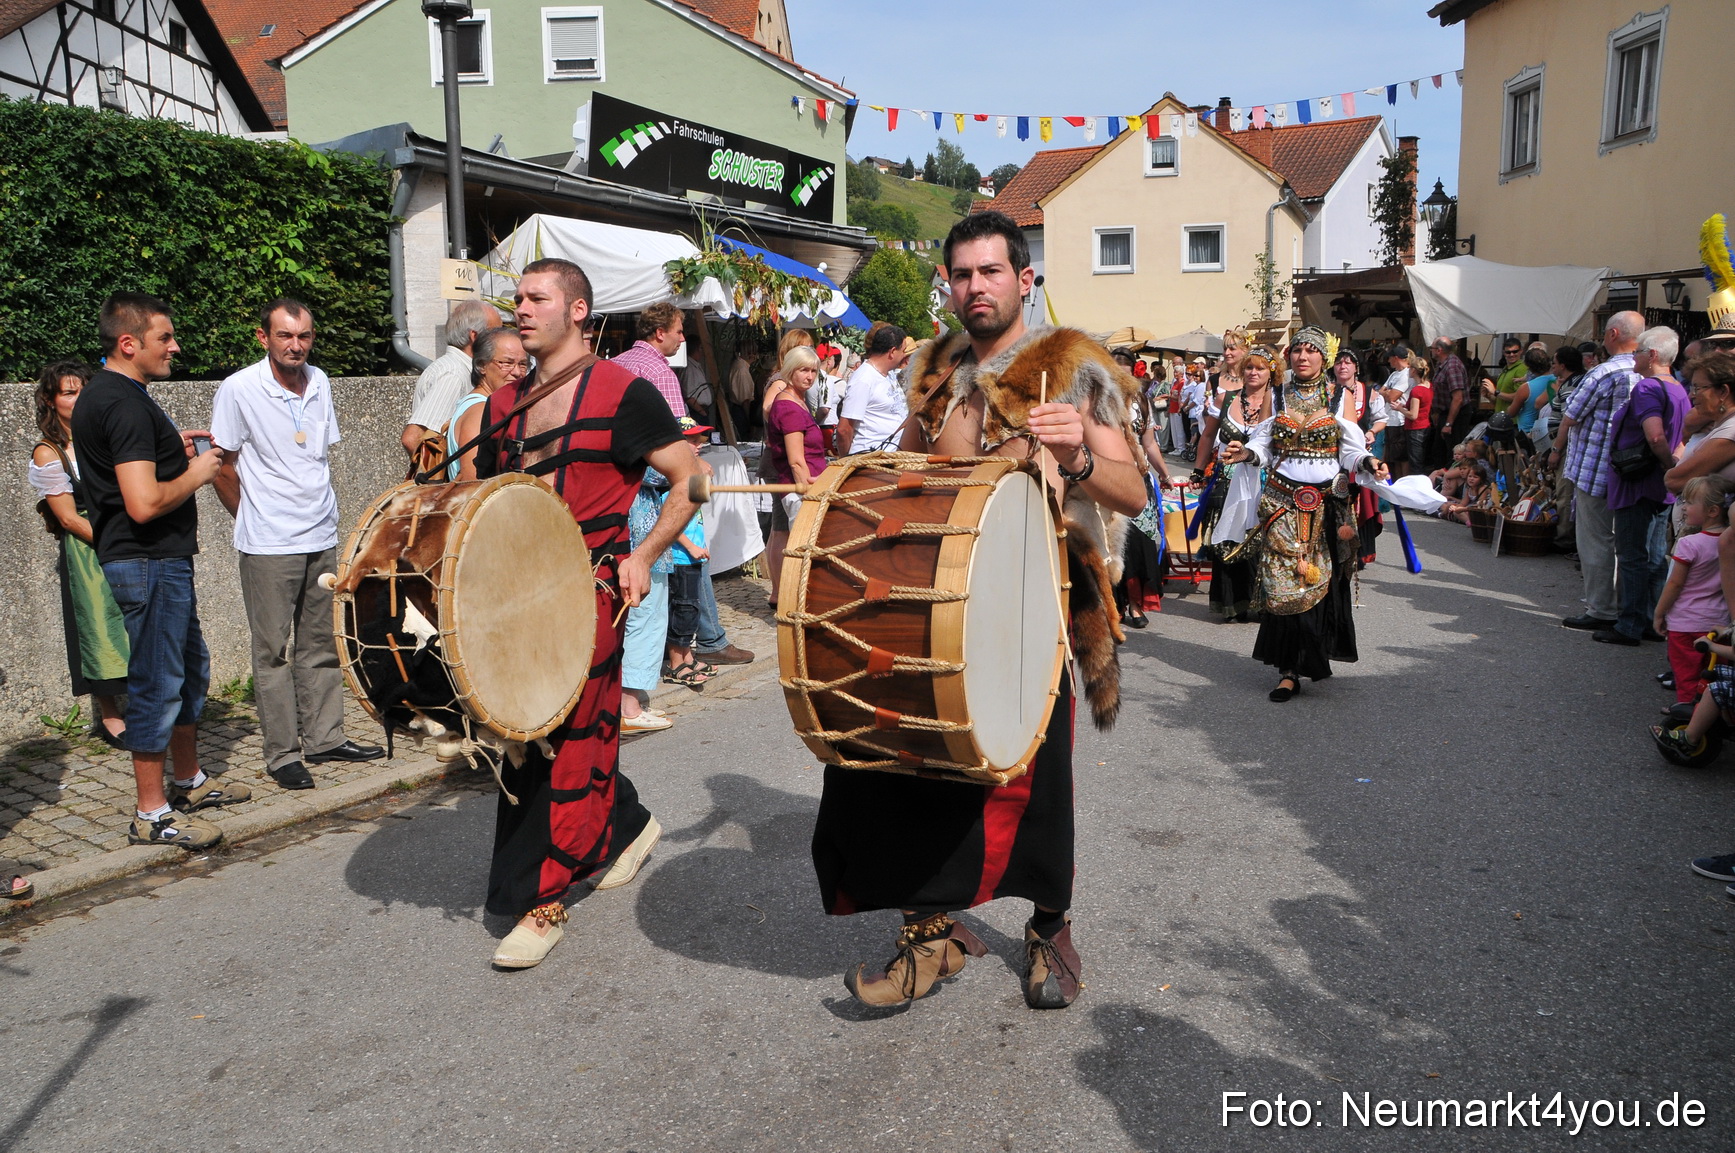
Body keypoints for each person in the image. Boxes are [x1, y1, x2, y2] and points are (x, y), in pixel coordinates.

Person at [818, 210, 1147, 1012]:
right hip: (936, 595)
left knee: (1034, 778)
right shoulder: (933, 369)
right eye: (961, 274)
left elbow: (1132, 490)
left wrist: (1076, 454)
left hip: (1035, 600)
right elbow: (908, 466)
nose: (975, 287)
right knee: (904, 763)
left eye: (990, 271)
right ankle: (929, 930)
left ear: (1022, 279)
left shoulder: (1072, 367)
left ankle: (1050, 926)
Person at [472, 258, 699, 969]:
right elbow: (485, 506)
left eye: (537, 297)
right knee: (527, 730)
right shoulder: (499, 407)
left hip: (594, 592)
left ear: (577, 310)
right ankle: (626, 825)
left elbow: (692, 477)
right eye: (517, 297)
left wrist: (646, 554)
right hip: (516, 601)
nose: (521, 308)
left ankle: (545, 900)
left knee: (569, 737)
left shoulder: (623, 392)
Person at [71, 293, 245, 849]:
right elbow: (143, 503)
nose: (175, 347)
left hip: (158, 561)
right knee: (157, 682)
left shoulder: (119, 397)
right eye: (164, 338)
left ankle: (188, 781)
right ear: (129, 343)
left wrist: (173, 448)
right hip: (146, 561)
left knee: (188, 670)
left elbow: (133, 470)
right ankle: (151, 814)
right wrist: (197, 472)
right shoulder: (121, 403)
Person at [211, 298, 383, 791]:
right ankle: (283, 754)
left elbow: (315, 456)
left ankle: (325, 738)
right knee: (272, 652)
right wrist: (252, 517)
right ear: (263, 337)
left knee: (321, 644)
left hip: (320, 533)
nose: (295, 345)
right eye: (285, 335)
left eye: (304, 336)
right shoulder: (239, 388)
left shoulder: (320, 381)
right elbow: (222, 465)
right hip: (268, 543)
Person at [1215, 328, 1394, 702]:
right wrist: (1245, 453)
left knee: (1319, 581)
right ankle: (1288, 670)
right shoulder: (1277, 394)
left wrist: (1369, 461)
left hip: (1326, 505)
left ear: (1324, 358)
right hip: (1282, 503)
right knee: (1285, 582)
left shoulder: (1339, 396)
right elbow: (1264, 443)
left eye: (1311, 350)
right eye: (1297, 350)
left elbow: (1349, 449)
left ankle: (1312, 651)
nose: (1303, 356)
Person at [28, 360, 129, 747]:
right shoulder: (49, 452)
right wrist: (114, 542)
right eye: (70, 393)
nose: (80, 398)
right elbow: (68, 517)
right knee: (99, 625)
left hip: (126, 536)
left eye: (85, 390)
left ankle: (148, 704)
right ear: (50, 401)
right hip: (89, 548)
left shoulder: (105, 438)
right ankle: (110, 715)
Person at [1552, 311, 1645, 632]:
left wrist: (1556, 450)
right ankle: (1626, 606)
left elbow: (1571, 414)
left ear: (1613, 334)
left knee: (1595, 540)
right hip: (1633, 467)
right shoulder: (1648, 370)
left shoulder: (1604, 372)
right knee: (1627, 543)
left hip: (1596, 467)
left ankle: (1602, 609)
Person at [1599, 327, 1688, 646]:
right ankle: (1651, 619)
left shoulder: (1648, 387)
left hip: (1639, 480)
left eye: (1637, 352)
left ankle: (1630, 624)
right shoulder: (1677, 387)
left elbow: (1655, 435)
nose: (1633, 357)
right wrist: (1673, 466)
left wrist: (1666, 464)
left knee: (1633, 555)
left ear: (1652, 355)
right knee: (1654, 554)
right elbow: (1682, 437)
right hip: (1660, 484)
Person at [1194, 345, 1278, 622]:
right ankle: (1231, 603)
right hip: (1227, 478)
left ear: (1271, 372)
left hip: (1264, 480)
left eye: (1260, 368)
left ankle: (1261, 603)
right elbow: (1208, 436)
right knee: (1227, 538)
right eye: (1249, 367)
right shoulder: (1225, 398)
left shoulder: (1279, 402)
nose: (1253, 372)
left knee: (1260, 539)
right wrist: (1198, 470)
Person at [1653, 476, 1733, 711]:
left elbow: (1675, 584)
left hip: (1685, 623)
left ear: (1712, 511)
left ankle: (1686, 713)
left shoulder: (1690, 544)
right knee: (1715, 675)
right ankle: (1710, 714)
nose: (1684, 507)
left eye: (1689, 502)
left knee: (1687, 675)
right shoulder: (1731, 542)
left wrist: (1659, 612)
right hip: (1720, 623)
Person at [762, 345, 827, 609]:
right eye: (803, 370)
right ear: (790, 370)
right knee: (802, 553)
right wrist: (809, 493)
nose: (809, 376)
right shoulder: (788, 407)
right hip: (802, 491)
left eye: (813, 371)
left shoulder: (797, 400)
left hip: (809, 487)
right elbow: (797, 461)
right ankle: (797, 607)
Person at [401, 299, 501, 455]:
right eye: (495, 333)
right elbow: (413, 438)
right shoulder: (454, 374)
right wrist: (441, 472)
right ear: (475, 336)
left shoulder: (457, 369)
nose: (501, 340)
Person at [663, 416, 714, 685]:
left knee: (691, 608)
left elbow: (698, 505)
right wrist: (692, 546)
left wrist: (703, 479)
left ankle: (687, 655)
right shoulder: (670, 480)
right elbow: (668, 520)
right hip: (680, 555)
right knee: (681, 608)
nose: (699, 445)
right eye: (692, 441)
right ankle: (676, 663)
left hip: (692, 554)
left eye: (699, 440)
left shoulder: (689, 476)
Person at [445, 327, 528, 482]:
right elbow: (473, 481)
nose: (517, 372)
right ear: (482, 365)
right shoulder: (480, 411)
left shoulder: (485, 405)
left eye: (523, 364)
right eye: (507, 363)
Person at [835, 325, 909, 454]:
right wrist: (846, 460)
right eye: (903, 350)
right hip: (871, 458)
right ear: (892, 352)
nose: (904, 355)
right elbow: (844, 429)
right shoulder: (864, 379)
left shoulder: (889, 374)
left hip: (892, 457)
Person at [611, 301, 689, 420]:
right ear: (660, 333)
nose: (682, 339)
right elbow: (675, 424)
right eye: (679, 332)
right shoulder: (661, 373)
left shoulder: (614, 362)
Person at [1427, 337, 1471, 469]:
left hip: (1456, 416)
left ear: (1439, 350)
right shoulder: (1443, 365)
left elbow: (1458, 398)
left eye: (1432, 348)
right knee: (1438, 451)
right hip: (1445, 414)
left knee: (1452, 453)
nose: (1431, 351)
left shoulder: (1452, 367)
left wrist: (1448, 424)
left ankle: (1451, 478)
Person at [1506, 346, 1556, 443]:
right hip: (1549, 431)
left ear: (1529, 367)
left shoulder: (1526, 388)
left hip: (1528, 433)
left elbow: (1511, 413)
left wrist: (1508, 408)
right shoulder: (1557, 380)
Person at [1379, 346, 1414, 476]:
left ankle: (1403, 479)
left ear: (1396, 358)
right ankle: (1396, 480)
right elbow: (1380, 391)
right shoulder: (1394, 374)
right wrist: (1387, 393)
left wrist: (1387, 393)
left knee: (1401, 456)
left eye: (1390, 358)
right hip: (1389, 418)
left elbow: (1392, 397)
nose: (1388, 361)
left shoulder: (1406, 374)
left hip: (1399, 419)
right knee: (1393, 457)